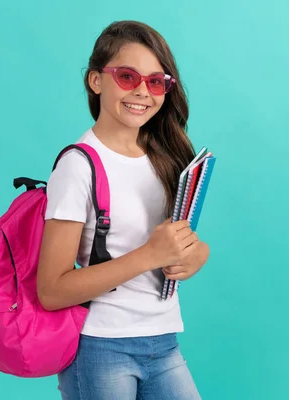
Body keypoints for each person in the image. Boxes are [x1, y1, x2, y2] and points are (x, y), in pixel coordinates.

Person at [37, 20, 210, 400]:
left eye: (156, 81)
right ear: (96, 81)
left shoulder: (165, 158)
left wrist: (197, 253)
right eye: (128, 77)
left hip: (163, 341)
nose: (143, 92)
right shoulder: (78, 166)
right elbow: (51, 290)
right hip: (101, 348)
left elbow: (179, 241)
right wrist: (149, 255)